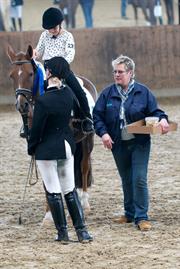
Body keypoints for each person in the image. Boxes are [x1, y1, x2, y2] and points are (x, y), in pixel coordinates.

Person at [93, 55, 169, 231]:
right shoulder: (107, 93)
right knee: (126, 179)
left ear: (130, 73)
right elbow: (97, 116)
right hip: (117, 143)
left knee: (139, 178)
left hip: (140, 142)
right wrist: (103, 134)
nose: (117, 75)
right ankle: (129, 213)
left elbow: (157, 112)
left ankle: (141, 217)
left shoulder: (143, 92)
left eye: (120, 72)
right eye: (115, 72)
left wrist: (163, 120)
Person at [27, 56, 93, 243]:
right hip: (66, 147)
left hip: (47, 151)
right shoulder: (68, 95)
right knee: (70, 190)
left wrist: (31, 148)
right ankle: (82, 232)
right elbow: (77, 107)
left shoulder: (42, 101)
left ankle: (63, 233)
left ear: (48, 73)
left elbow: (37, 129)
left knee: (54, 192)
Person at [33, 7, 93, 134]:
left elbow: (70, 53)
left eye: (54, 28)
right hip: (48, 69)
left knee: (79, 91)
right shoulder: (44, 35)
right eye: (50, 28)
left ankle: (87, 118)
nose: (52, 31)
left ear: (60, 24)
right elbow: (39, 50)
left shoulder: (67, 36)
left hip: (62, 68)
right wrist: (34, 53)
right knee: (34, 92)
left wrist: (61, 65)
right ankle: (30, 122)